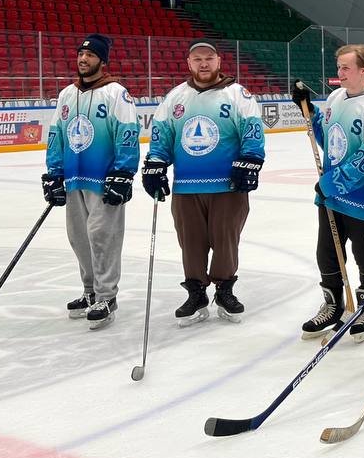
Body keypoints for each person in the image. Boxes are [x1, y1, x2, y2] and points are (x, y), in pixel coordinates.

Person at [142, 40, 264, 325]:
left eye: (209, 58)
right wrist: (155, 164)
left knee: (226, 241)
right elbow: (161, 136)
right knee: (191, 244)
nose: (204, 63)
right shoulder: (175, 97)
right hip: (186, 186)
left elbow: (252, 132)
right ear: (189, 63)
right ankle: (196, 293)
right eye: (197, 59)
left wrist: (251, 159)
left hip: (227, 185)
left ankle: (224, 290)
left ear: (219, 61)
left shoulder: (238, 95)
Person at [291, 44, 364, 343]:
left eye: (346, 67)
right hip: (331, 197)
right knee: (327, 253)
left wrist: (333, 183)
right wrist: (309, 111)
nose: (339, 73)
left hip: (359, 199)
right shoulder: (335, 98)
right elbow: (329, 141)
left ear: (363, 70)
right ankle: (333, 306)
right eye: (338, 67)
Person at [42, 33, 139, 330]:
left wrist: (123, 172)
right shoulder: (66, 95)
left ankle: (107, 296)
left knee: (102, 237)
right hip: (74, 178)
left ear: (102, 61)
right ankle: (90, 292)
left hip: (104, 179)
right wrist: (54, 173)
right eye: (81, 54)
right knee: (79, 238)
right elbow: (56, 136)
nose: (83, 59)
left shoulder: (116, 94)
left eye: (91, 55)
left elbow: (128, 133)